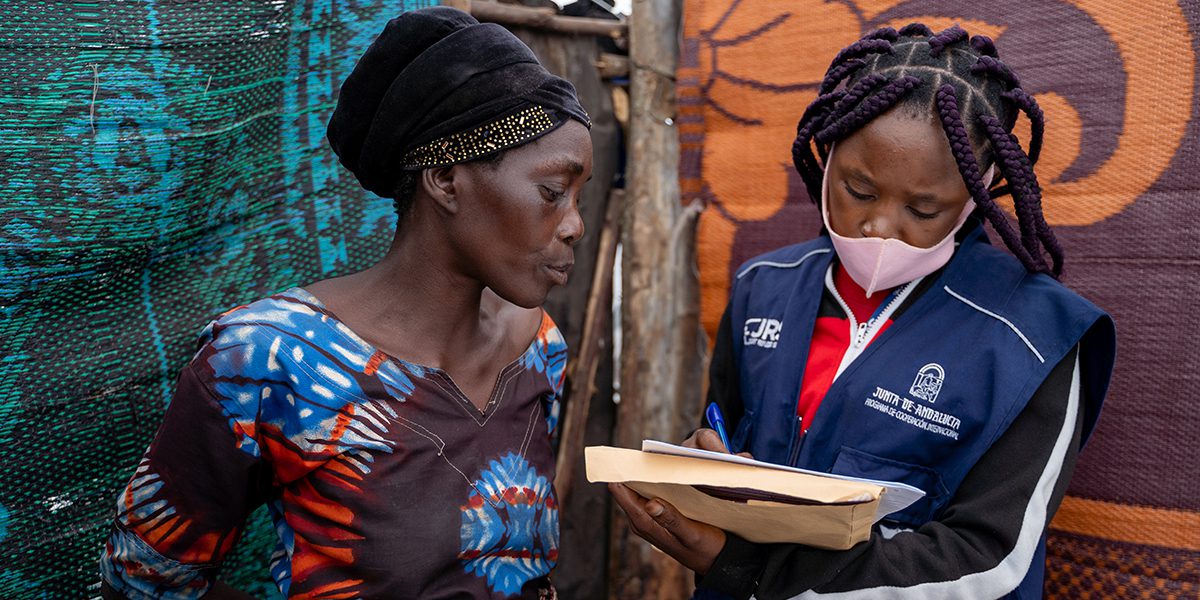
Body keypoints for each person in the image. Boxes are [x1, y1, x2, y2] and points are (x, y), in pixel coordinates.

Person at [99, 7, 592, 599]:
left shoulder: (538, 350)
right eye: (552, 192)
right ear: (444, 178)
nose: (575, 226)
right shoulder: (269, 360)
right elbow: (144, 576)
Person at [609, 24, 1115, 600]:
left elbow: (990, 562)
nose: (879, 225)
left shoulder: (1035, 338)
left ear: (981, 190)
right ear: (826, 152)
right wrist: (701, 468)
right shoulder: (763, 288)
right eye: (859, 189)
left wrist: (753, 571)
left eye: (924, 208)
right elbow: (722, 425)